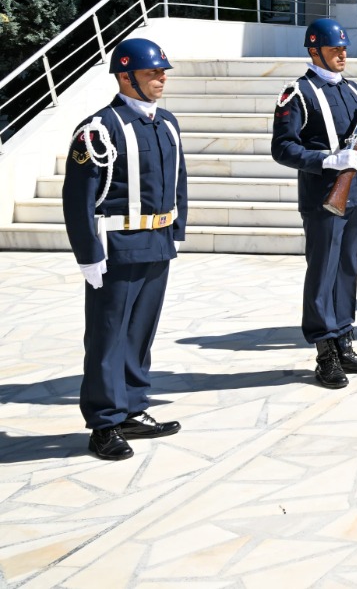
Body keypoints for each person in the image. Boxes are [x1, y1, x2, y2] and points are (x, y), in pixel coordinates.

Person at [63, 38, 186, 461]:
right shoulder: (99, 128)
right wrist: (88, 255)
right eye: (153, 72)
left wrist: (176, 231)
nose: (161, 78)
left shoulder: (166, 122)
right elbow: (77, 196)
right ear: (125, 76)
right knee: (107, 337)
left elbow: (178, 180)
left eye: (162, 71)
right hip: (116, 246)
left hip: (157, 242)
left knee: (140, 335)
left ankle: (133, 407)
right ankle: (103, 422)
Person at [271, 17, 357, 389]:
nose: (342, 54)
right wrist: (326, 159)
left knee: (347, 270)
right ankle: (325, 351)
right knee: (323, 271)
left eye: (344, 48)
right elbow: (283, 147)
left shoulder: (354, 89)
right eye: (334, 49)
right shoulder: (298, 92)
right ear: (314, 51)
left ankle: (344, 339)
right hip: (324, 196)